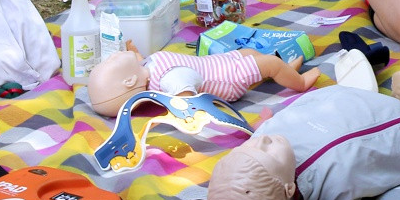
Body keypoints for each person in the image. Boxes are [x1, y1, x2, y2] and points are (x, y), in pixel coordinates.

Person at [207, 86, 400, 200]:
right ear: (289, 190)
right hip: (386, 116)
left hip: (335, 99)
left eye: (249, 145)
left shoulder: (270, 141)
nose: (264, 139)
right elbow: (378, 166)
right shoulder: (334, 179)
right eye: (267, 151)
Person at [87, 43, 320, 116]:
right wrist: (185, 111)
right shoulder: (170, 79)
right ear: (129, 82)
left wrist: (133, 52)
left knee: (251, 53)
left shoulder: (143, 69)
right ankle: (298, 82)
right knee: (269, 63)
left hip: (220, 62)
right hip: (228, 79)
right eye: (109, 63)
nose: (111, 57)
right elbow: (186, 101)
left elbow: (142, 61)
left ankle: (284, 72)